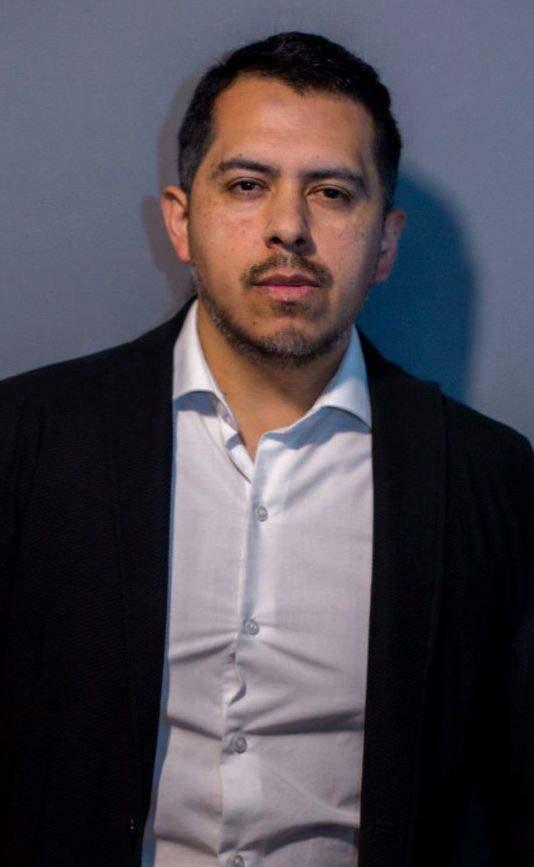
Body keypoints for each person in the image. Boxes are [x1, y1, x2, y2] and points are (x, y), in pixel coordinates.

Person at [1, 30, 532, 867]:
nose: (289, 227)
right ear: (181, 221)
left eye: (332, 192)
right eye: (247, 185)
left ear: (385, 242)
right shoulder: (24, 441)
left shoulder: (489, 481)